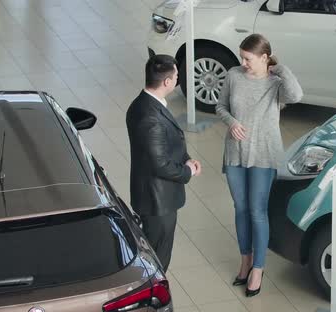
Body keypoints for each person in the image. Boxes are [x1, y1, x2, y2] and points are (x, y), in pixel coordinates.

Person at [216, 34, 303, 297]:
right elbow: (220, 106)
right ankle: (245, 259)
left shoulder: (276, 83)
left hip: (264, 154)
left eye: (248, 58)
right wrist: (231, 122)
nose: (243, 62)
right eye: (241, 57)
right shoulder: (233, 75)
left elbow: (297, 95)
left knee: (257, 210)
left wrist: (280, 68)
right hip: (235, 152)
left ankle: (258, 268)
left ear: (265, 58)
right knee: (240, 208)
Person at [126, 54, 201, 272]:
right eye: (176, 76)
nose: (178, 79)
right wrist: (187, 171)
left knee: (156, 254)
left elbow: (164, 145)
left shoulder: (147, 103)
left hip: (156, 196)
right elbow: (159, 164)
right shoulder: (149, 116)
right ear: (167, 82)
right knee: (157, 260)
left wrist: (186, 158)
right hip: (157, 201)